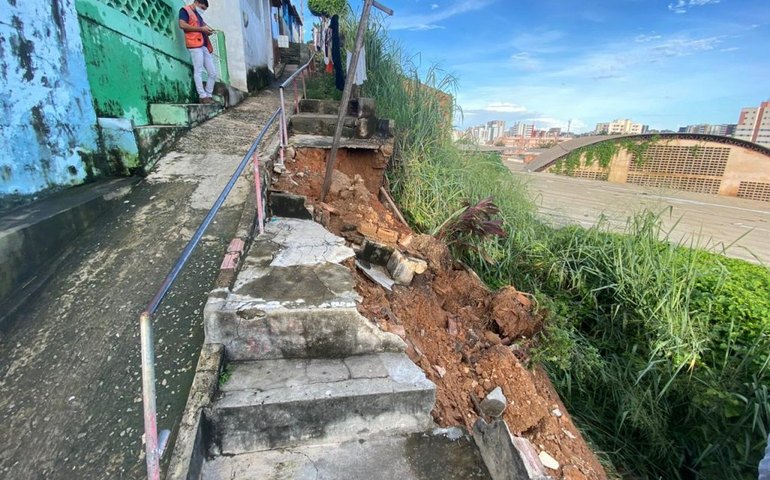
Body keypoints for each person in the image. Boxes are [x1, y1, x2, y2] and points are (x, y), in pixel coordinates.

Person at [178, 0, 218, 104]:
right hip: (194, 45)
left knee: (213, 73)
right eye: (202, 8)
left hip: (203, 45)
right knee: (198, 70)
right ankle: (202, 96)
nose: (203, 10)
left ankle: (209, 95)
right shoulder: (185, 10)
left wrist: (208, 31)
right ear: (196, 2)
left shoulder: (198, 15)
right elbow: (182, 25)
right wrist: (201, 29)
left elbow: (202, 28)